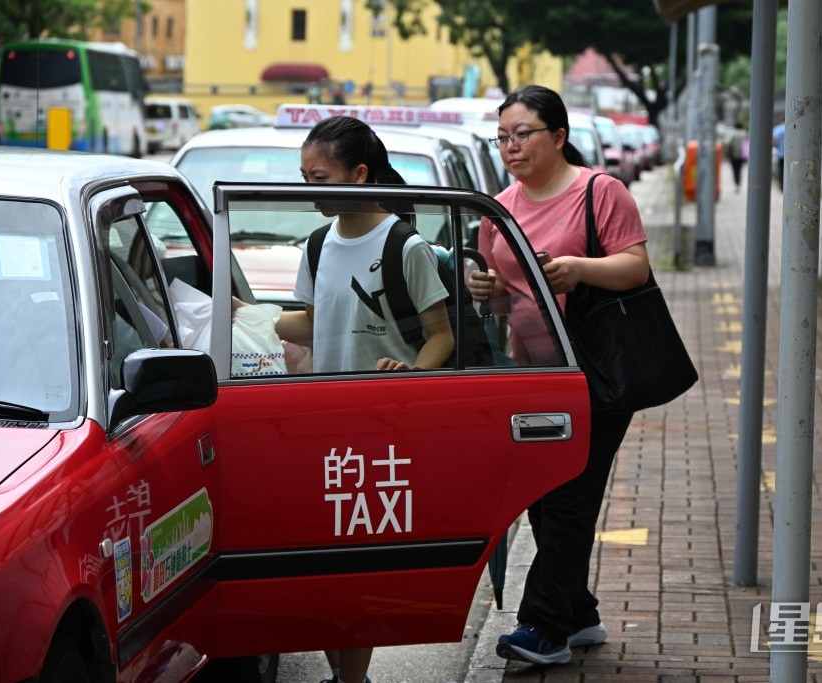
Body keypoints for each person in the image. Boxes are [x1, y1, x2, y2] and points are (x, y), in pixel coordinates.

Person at [243, 115, 454, 683]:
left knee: (356, 568)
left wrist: (407, 373)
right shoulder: (318, 242)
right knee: (322, 566)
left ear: (359, 175)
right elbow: (314, 323)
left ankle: (351, 679)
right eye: (304, 179)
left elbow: (442, 336)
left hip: (378, 427)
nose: (310, 192)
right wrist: (244, 320)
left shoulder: (403, 245)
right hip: (321, 422)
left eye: (320, 178)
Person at [468, 85, 649, 666]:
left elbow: (635, 266)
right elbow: (503, 303)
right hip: (532, 376)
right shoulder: (498, 209)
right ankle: (580, 614)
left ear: (560, 137)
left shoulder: (599, 192)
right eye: (503, 137)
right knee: (542, 498)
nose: (511, 146)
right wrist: (487, 292)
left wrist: (581, 270)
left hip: (595, 371)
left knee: (569, 494)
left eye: (524, 134)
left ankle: (543, 628)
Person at [726, 120, 748, 192]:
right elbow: (747, 145)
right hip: (742, 155)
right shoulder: (744, 133)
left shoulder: (732, 133)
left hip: (733, 155)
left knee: (735, 170)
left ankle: (736, 184)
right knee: (740, 170)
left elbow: (728, 143)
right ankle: (739, 183)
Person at [772, 121, 786, 190]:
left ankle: (781, 186)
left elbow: (774, 141)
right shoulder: (791, 127)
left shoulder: (778, 129)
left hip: (780, 153)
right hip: (789, 155)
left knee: (781, 171)